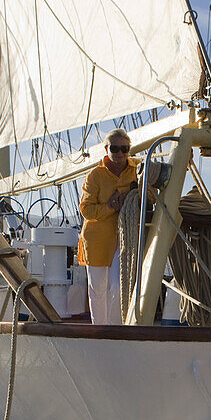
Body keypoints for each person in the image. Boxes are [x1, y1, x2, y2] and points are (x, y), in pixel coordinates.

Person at [78, 128, 138, 325]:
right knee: (98, 288)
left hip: (124, 238)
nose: (120, 153)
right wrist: (111, 206)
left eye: (124, 148)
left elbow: (150, 195)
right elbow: (86, 210)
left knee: (119, 286)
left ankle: (114, 329)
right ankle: (99, 328)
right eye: (115, 148)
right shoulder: (95, 176)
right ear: (106, 149)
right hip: (97, 239)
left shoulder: (138, 169)